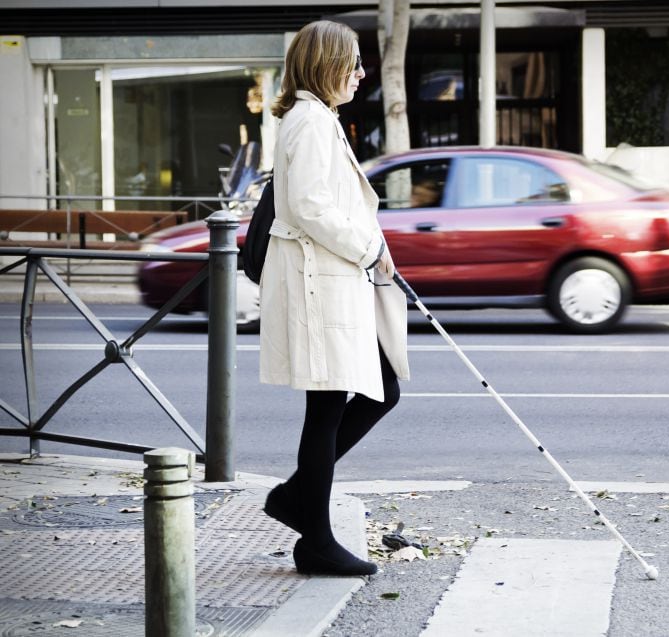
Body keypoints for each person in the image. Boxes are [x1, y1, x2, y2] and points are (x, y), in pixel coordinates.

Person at [258, 20, 409, 577]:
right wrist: (371, 249)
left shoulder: (313, 119)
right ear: (326, 65)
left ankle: (301, 505)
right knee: (338, 404)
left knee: (361, 395)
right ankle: (313, 535)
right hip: (319, 281)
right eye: (353, 63)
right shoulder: (312, 122)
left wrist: (371, 248)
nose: (362, 74)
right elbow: (313, 206)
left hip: (323, 279)